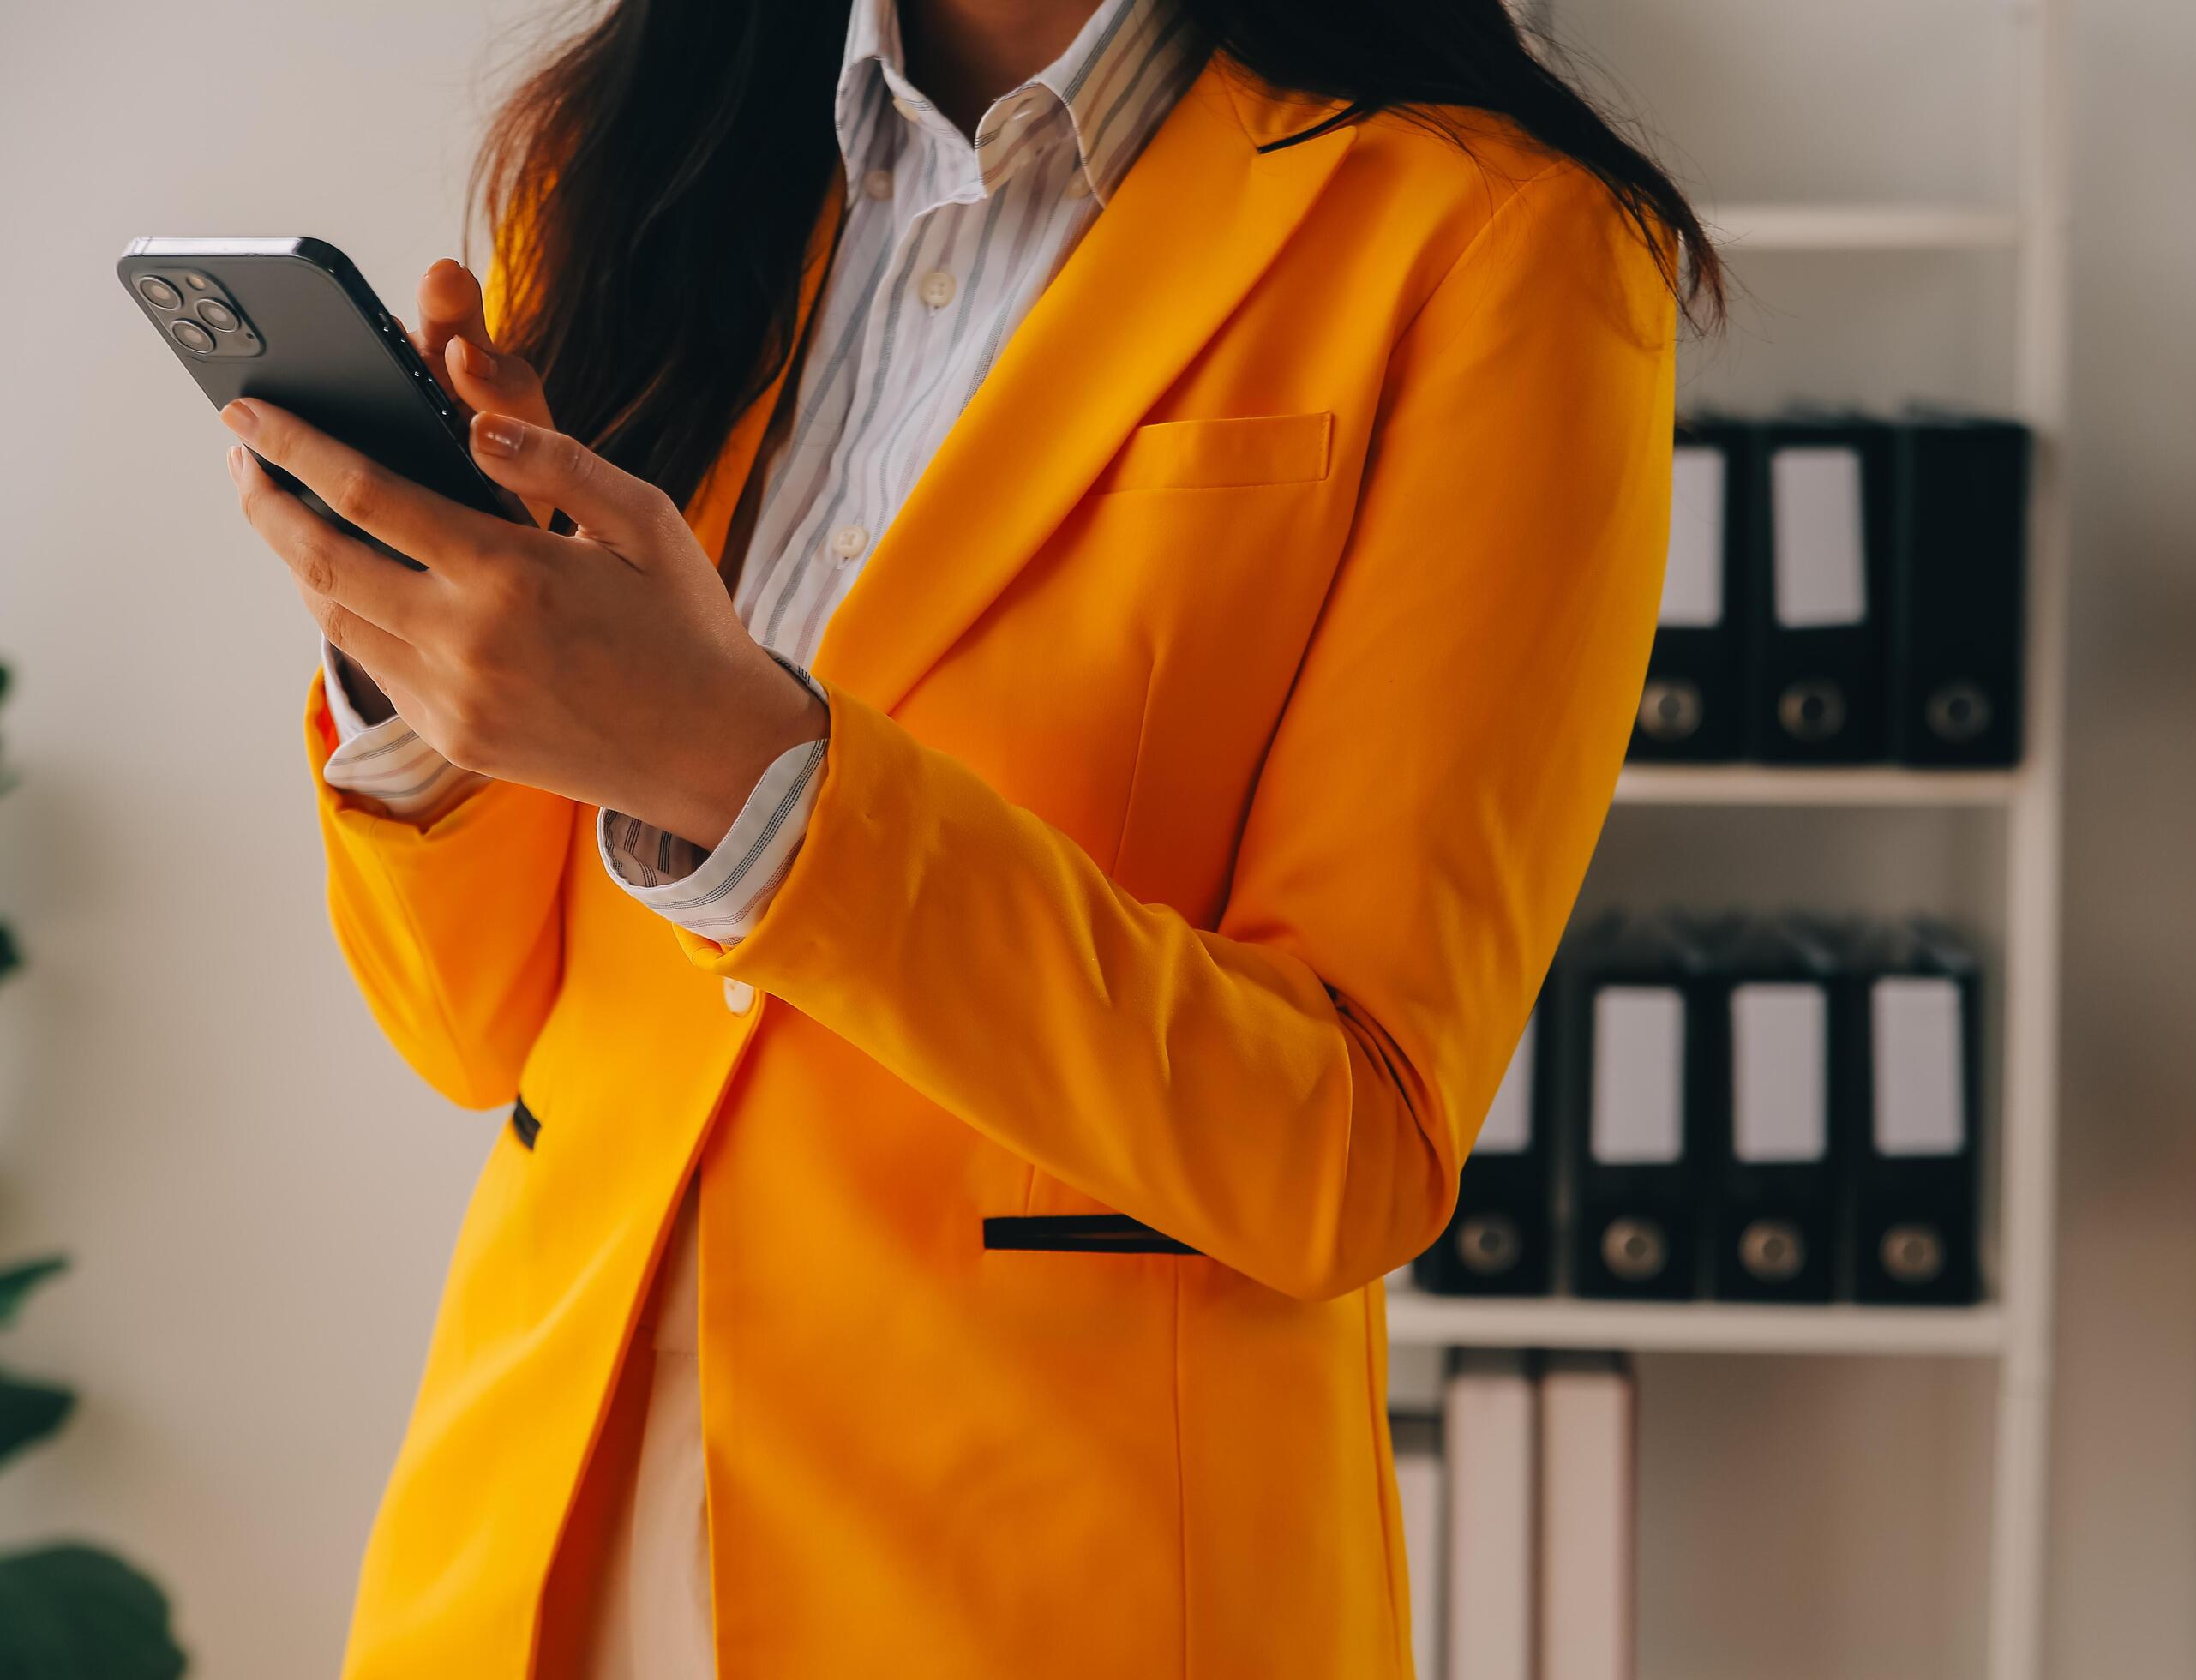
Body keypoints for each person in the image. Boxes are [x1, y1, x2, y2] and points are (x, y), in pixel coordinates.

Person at [220, 0, 1718, 1672]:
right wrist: (415, 668)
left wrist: (750, 777)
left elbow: (1351, 1142)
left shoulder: (1500, 243)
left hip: (1054, 1588)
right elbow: (480, 1026)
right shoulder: (636, 152)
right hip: (531, 1548)